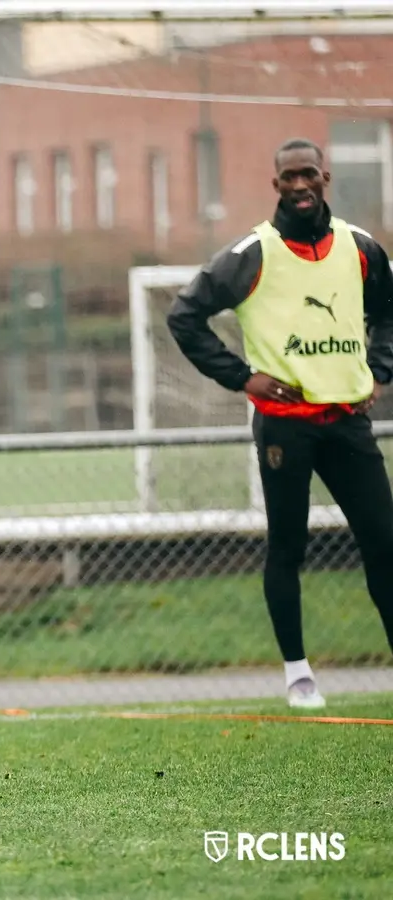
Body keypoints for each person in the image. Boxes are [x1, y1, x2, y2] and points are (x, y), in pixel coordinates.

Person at [168, 137, 393, 709]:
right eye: (288, 177)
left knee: (384, 544)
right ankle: (298, 674)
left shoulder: (363, 249)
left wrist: (380, 369)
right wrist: (241, 376)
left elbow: (389, 315)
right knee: (289, 547)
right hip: (284, 427)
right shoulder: (252, 254)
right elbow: (185, 315)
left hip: (348, 424)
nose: (299, 185)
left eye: (309, 175)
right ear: (276, 184)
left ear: (325, 178)